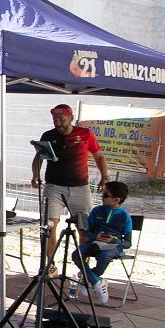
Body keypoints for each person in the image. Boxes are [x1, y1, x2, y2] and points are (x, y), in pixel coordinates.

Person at [31, 104, 109, 265]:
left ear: (71, 118)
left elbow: (99, 156)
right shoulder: (48, 135)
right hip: (53, 187)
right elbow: (38, 157)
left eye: (62, 119)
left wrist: (104, 177)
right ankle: (50, 266)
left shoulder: (85, 134)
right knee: (49, 227)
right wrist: (35, 175)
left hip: (80, 188)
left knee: (84, 229)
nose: (58, 123)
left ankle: (83, 267)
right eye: (55, 119)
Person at [71, 181, 132, 305]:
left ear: (116, 199)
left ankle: (88, 280)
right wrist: (95, 236)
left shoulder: (125, 217)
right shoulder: (97, 210)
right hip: (95, 243)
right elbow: (85, 231)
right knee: (76, 254)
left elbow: (128, 243)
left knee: (104, 256)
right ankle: (97, 282)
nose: (102, 197)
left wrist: (114, 240)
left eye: (105, 195)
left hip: (113, 246)